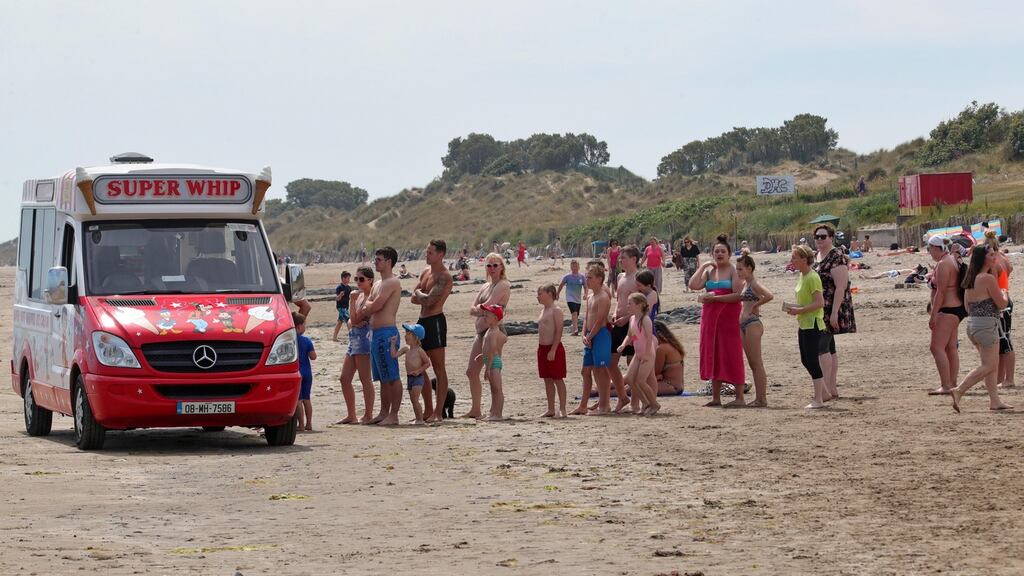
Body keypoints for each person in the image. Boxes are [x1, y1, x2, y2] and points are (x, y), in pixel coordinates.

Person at [950, 245, 1013, 412]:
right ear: (983, 258)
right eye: (991, 255)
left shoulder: (971, 278)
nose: (994, 257)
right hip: (986, 325)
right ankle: (959, 390)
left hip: (973, 325)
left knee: (990, 364)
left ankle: (995, 401)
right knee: (990, 365)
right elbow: (1002, 303)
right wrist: (1004, 292)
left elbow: (967, 305)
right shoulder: (986, 278)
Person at [689, 235, 745, 407]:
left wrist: (717, 299)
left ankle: (740, 397)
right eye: (716, 251)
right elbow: (693, 285)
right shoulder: (709, 271)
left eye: (723, 251)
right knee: (713, 353)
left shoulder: (734, 270)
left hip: (728, 317)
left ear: (729, 254)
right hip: (710, 317)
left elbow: (738, 294)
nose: (719, 254)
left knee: (732, 354)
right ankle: (716, 397)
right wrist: (704, 266)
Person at [360, 247, 403, 426]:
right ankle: (384, 412)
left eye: (379, 259)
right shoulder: (378, 284)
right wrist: (369, 305)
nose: (375, 262)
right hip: (375, 334)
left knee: (392, 375)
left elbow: (375, 305)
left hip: (387, 333)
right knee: (382, 377)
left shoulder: (392, 282)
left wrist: (369, 305)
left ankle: (394, 413)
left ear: (388, 261)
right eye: (375, 259)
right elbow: (366, 304)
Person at [411, 239, 453, 423]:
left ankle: (438, 411)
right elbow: (413, 298)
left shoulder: (444, 276)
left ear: (440, 254)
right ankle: (427, 410)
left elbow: (429, 301)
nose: (427, 255)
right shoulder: (425, 272)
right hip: (422, 321)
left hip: (435, 321)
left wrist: (420, 294)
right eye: (426, 251)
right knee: (420, 365)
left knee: (438, 367)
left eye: (430, 252)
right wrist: (421, 294)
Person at [464, 253, 511, 419]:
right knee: (471, 371)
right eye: (489, 265)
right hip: (481, 332)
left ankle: (495, 412)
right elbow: (472, 308)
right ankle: (476, 409)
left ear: (501, 267)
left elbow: (489, 306)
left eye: (495, 265)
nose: (492, 268)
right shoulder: (485, 285)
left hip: (494, 331)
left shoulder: (503, 285)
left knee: (493, 372)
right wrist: (480, 310)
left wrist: (480, 309)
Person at [813, 224, 855, 401]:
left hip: (832, 306)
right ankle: (831, 387)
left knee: (821, 348)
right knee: (829, 347)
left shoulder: (836, 255)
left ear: (831, 237)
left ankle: (827, 389)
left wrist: (835, 313)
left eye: (823, 236)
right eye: (817, 237)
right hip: (822, 305)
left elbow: (841, 286)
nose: (820, 240)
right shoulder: (818, 255)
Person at [786, 245, 831, 409]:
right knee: (805, 360)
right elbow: (806, 301)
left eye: (795, 257)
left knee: (812, 360)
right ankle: (824, 393)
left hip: (813, 323)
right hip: (803, 322)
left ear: (804, 259)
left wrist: (800, 309)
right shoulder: (802, 275)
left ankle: (818, 399)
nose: (792, 261)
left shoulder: (812, 277)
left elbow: (819, 303)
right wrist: (796, 308)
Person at [926, 236, 965, 396]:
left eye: (929, 249)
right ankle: (952, 382)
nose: (929, 253)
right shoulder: (951, 259)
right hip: (957, 308)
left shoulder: (943, 264)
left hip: (947, 309)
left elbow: (941, 292)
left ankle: (946, 385)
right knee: (950, 348)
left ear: (936, 248)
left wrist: (933, 315)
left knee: (936, 347)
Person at [336, 266, 375, 424]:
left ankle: (368, 414)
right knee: (344, 378)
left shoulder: (370, 296)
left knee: (365, 378)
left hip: (364, 339)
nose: (358, 282)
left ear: (370, 280)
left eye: (361, 279)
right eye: (356, 279)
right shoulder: (359, 296)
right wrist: (353, 320)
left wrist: (352, 303)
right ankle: (351, 415)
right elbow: (351, 320)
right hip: (354, 339)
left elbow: (356, 319)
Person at [573, 263, 613, 415]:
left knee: (600, 370)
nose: (587, 281)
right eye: (586, 278)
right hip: (590, 336)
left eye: (589, 278)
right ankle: (583, 405)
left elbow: (600, 320)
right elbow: (587, 317)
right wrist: (584, 334)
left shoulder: (603, 297)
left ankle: (604, 404)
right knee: (585, 371)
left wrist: (590, 336)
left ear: (599, 279)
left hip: (601, 335)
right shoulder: (590, 297)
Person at [736, 254, 773, 408]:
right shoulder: (746, 283)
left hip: (752, 324)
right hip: (744, 325)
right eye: (737, 269)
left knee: (757, 363)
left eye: (740, 269)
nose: (738, 272)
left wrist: (756, 305)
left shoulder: (754, 283)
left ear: (749, 268)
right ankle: (759, 398)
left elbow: (769, 295)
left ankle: (762, 399)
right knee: (752, 363)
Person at [609, 245, 641, 413]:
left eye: (624, 258)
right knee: (611, 361)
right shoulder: (620, 276)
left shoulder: (638, 278)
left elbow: (643, 305)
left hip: (632, 323)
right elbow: (619, 300)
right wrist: (615, 314)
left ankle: (635, 402)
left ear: (634, 259)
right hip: (618, 322)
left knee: (632, 362)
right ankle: (623, 396)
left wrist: (626, 318)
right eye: (620, 258)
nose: (620, 260)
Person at [618, 293, 661, 416]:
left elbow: (648, 339)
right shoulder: (632, 319)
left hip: (647, 354)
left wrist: (646, 355)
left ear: (639, 305)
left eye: (630, 303)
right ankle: (646, 403)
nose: (627, 306)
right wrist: (624, 344)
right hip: (638, 354)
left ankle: (654, 404)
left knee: (641, 381)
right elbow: (630, 335)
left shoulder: (645, 319)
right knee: (631, 380)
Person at [984, 231, 1016, 389]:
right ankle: (1002, 378)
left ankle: (1008, 379)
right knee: (1003, 342)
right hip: (1006, 297)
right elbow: (1010, 268)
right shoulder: (1003, 257)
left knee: (1005, 342)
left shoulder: (993, 261)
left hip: (1000, 301)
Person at [536, 284, 567, 418]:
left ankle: (563, 408)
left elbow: (559, 330)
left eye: (540, 293)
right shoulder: (543, 310)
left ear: (549, 294)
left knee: (558, 379)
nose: (538, 296)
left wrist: (553, 349)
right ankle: (550, 408)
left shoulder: (556, 310)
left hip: (553, 347)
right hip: (542, 348)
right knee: (547, 379)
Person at [391, 323, 432, 425]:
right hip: (410, 378)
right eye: (405, 333)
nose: (405, 336)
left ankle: (420, 420)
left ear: (416, 337)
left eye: (408, 334)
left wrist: (418, 371)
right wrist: (392, 343)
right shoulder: (406, 349)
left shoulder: (419, 351)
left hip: (418, 377)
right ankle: (418, 418)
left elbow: (427, 363)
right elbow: (394, 355)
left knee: (415, 399)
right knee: (413, 400)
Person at [477, 304, 508, 421]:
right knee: (493, 389)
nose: (484, 317)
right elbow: (488, 348)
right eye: (484, 314)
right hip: (490, 361)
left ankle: (498, 414)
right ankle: (493, 412)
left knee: (497, 389)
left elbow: (493, 350)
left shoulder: (495, 331)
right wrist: (482, 355)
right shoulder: (490, 330)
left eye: (487, 315)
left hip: (493, 363)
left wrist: (488, 368)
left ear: (495, 318)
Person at [293, 312, 317, 431]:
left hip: (297, 371)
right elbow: (313, 356)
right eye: (304, 325)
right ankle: (309, 424)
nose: (305, 327)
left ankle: (301, 424)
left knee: (298, 400)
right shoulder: (306, 340)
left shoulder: (290, 340)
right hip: (307, 372)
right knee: (307, 399)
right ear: (299, 326)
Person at [653, 321, 684, 395]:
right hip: (676, 386)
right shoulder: (672, 345)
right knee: (629, 384)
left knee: (632, 388)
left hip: (670, 386)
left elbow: (654, 372)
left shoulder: (661, 348)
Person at [557, 260, 588, 336]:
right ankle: (575, 330)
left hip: (578, 299)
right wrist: (557, 294)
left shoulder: (582, 277)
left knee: (576, 315)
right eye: (573, 266)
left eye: (576, 266)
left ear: (579, 267)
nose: (575, 268)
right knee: (574, 313)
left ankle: (573, 327)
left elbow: (585, 286)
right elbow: (561, 285)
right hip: (570, 298)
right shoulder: (567, 277)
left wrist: (585, 294)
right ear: (571, 267)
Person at [333, 271, 354, 342]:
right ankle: (352, 337)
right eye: (347, 278)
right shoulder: (339, 287)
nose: (348, 280)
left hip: (346, 307)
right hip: (341, 307)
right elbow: (336, 298)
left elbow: (350, 298)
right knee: (348, 321)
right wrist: (340, 295)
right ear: (343, 278)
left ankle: (334, 337)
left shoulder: (348, 288)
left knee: (340, 322)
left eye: (349, 278)